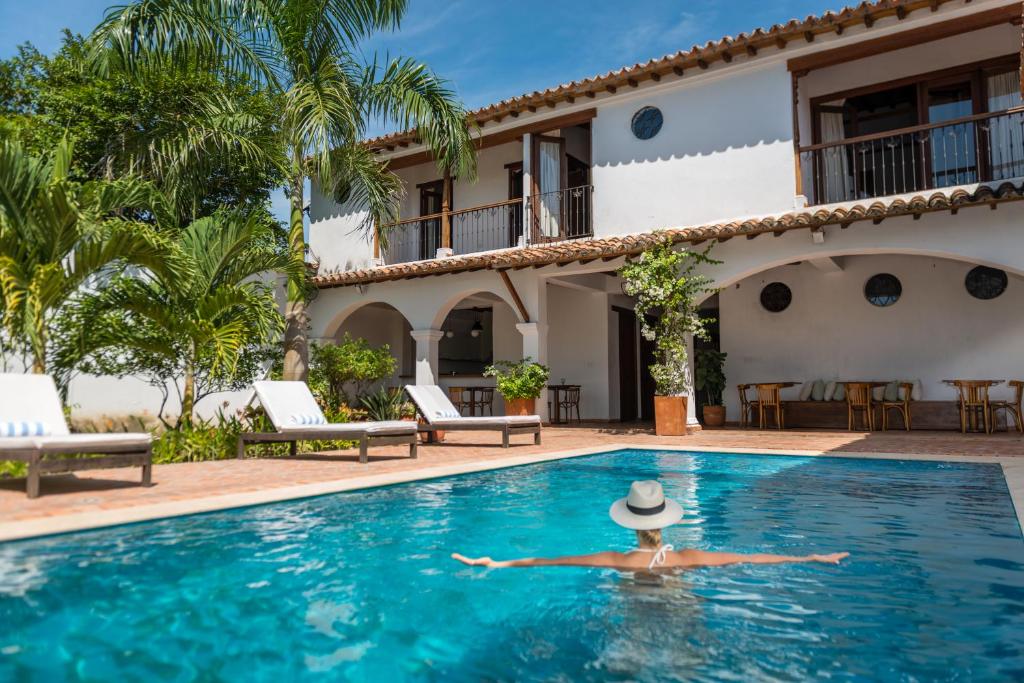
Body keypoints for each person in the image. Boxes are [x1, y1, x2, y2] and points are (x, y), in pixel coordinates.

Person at [452, 480, 849, 572]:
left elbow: (550, 560)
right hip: (681, 613)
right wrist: (810, 556)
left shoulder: (616, 560)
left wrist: (496, 563)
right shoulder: (689, 557)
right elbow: (751, 558)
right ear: (665, 521)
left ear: (631, 524)